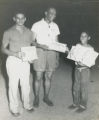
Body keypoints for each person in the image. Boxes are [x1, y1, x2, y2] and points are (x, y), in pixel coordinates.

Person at [1, 12, 38, 117]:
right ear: (14, 19)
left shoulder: (29, 32)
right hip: (13, 61)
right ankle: (14, 108)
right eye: (18, 18)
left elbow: (31, 47)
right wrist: (14, 54)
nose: (20, 20)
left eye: (22, 18)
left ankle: (27, 105)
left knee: (26, 85)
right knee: (13, 85)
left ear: (25, 19)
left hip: (25, 62)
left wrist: (32, 58)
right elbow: (2, 49)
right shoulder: (8, 32)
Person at [31, 7, 60, 107]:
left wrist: (57, 57)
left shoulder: (55, 26)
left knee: (49, 77)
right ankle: (36, 97)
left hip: (52, 53)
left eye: (55, 14)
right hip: (40, 52)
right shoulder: (36, 25)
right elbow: (31, 41)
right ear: (45, 12)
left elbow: (57, 43)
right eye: (51, 13)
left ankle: (46, 97)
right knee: (38, 77)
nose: (53, 15)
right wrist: (40, 45)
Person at [68, 32, 94, 113]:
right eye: (81, 36)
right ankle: (75, 103)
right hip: (77, 69)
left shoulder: (90, 48)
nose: (82, 38)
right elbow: (73, 56)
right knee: (75, 87)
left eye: (85, 36)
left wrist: (85, 63)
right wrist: (68, 52)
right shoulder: (78, 46)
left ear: (88, 38)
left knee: (84, 88)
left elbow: (92, 62)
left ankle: (83, 105)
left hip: (85, 70)